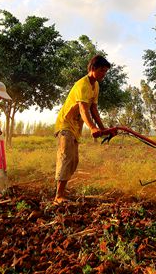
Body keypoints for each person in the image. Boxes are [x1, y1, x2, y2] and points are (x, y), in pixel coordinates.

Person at [54, 55, 111, 203]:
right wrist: (92, 127)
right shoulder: (82, 85)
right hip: (65, 124)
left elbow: (93, 109)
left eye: (105, 71)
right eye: (101, 71)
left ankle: (62, 193)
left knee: (73, 160)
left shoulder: (95, 85)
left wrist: (103, 128)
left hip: (75, 127)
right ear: (93, 69)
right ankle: (58, 196)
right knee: (66, 157)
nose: (103, 74)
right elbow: (83, 109)